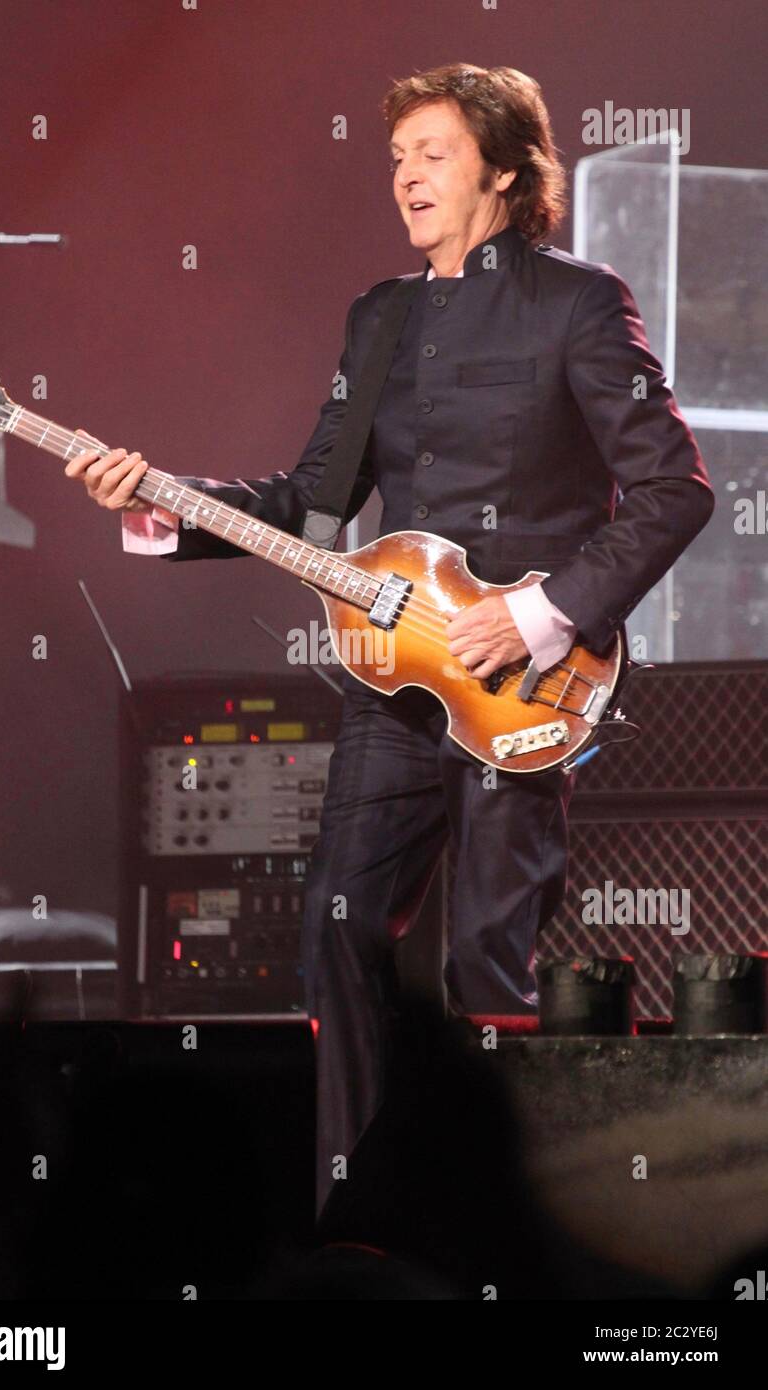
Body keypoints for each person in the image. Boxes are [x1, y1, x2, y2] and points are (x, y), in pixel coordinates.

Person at [64, 64, 714, 1216]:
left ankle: (507, 1229)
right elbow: (316, 506)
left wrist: (537, 610)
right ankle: (355, 1215)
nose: (405, 175)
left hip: (525, 682)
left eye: (432, 152)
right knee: (333, 929)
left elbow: (671, 490)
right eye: (396, 157)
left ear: (506, 171)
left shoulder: (578, 301)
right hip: (393, 683)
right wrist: (161, 505)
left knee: (483, 965)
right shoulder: (380, 316)